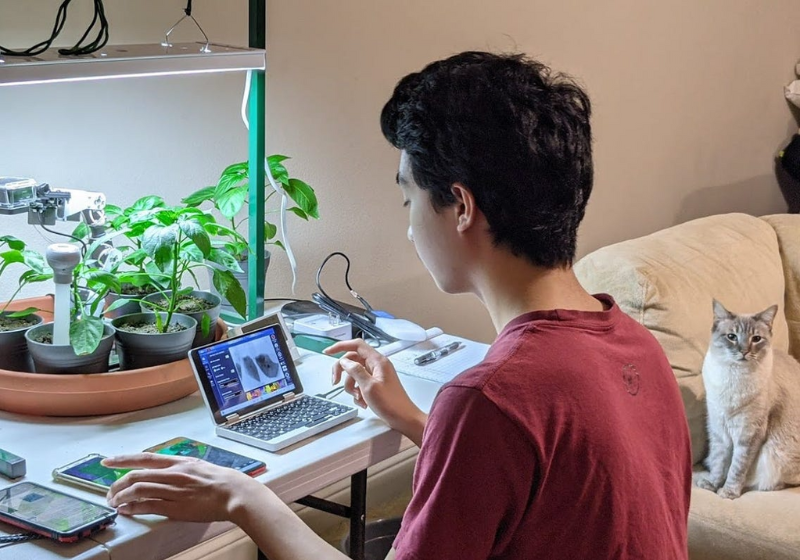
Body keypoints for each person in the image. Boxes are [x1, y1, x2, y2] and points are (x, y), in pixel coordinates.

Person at [104, 51, 692, 560]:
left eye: (407, 196)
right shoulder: (635, 345)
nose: (409, 226)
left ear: (461, 206)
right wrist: (413, 420)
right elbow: (546, 489)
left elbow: (509, 431)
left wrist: (242, 497)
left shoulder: (490, 398)